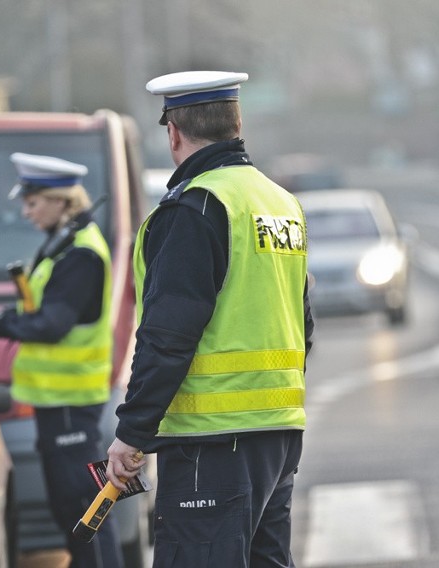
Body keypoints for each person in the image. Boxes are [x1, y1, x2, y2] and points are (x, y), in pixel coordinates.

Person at [106, 71, 314, 567]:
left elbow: (167, 336)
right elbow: (302, 324)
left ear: (174, 133)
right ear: (236, 123)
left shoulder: (195, 208)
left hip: (211, 441)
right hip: (278, 436)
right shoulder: (281, 204)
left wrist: (132, 432)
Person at [0, 152, 123, 568]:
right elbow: (43, 311)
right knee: (70, 506)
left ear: (60, 200)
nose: (26, 211)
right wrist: (2, 320)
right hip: (59, 402)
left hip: (72, 401)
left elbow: (52, 324)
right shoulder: (65, 246)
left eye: (33, 202)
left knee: (85, 506)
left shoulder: (80, 254)